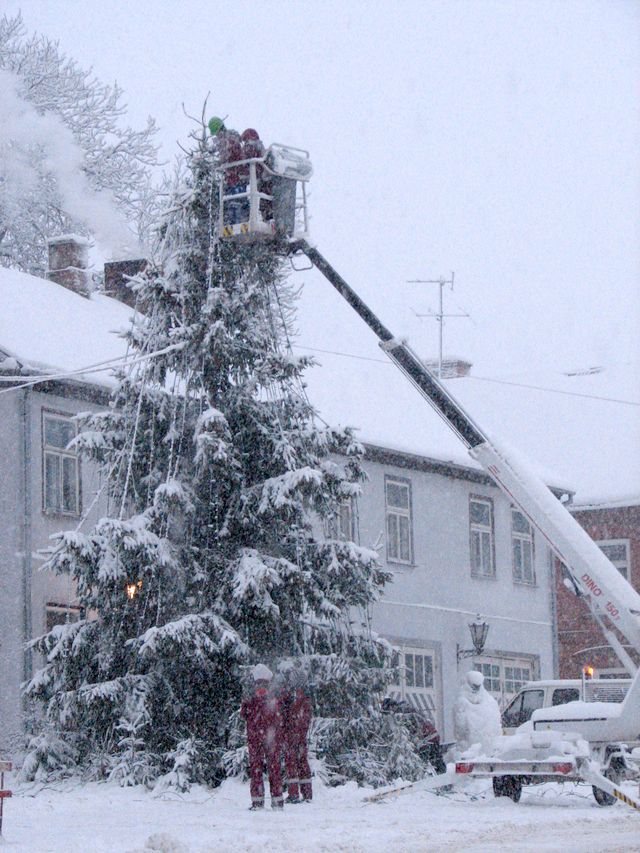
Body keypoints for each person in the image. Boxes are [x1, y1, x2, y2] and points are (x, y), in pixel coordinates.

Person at [240, 664, 284, 810]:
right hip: (271, 739)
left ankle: (258, 803)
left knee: (256, 770)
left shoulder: (250, 697)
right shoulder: (274, 697)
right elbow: (280, 717)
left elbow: (243, 715)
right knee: (274, 769)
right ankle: (277, 801)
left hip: (255, 739)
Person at [280, 666, 313, 803]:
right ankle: (307, 793)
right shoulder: (306, 697)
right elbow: (306, 718)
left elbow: (287, 715)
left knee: (291, 763)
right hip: (302, 736)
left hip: (291, 735)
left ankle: (293, 793)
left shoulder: (292, 696)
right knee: (303, 763)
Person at [208, 116, 247, 224]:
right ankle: (234, 220)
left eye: (216, 133)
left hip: (237, 176)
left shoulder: (229, 139)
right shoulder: (226, 139)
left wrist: (218, 162)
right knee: (231, 199)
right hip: (232, 177)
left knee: (236, 200)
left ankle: (238, 222)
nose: (216, 136)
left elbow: (228, 152)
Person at [453, 670, 502, 754]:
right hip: (488, 752)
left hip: (469, 752)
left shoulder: (461, 703)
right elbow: (497, 727)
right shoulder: (491, 702)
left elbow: (459, 731)